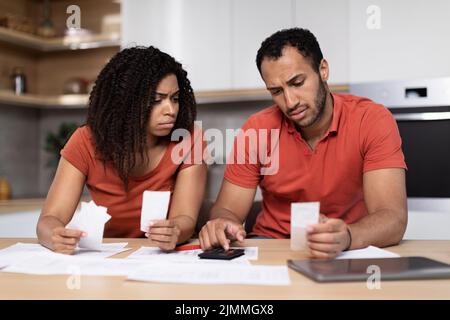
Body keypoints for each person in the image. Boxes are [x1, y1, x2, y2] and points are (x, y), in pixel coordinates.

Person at [199, 28, 407, 259]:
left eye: (297, 82)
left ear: (323, 70)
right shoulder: (256, 129)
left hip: (347, 248)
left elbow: (392, 217)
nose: (290, 102)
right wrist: (222, 223)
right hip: (271, 246)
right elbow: (227, 209)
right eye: (276, 91)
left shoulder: (371, 120)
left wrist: (347, 236)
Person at [37, 46, 207, 254]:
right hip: (106, 255)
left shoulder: (189, 139)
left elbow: (186, 218)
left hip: (161, 257)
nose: (171, 110)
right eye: (156, 100)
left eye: (175, 98)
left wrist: (176, 230)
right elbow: (48, 220)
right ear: (125, 103)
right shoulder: (85, 141)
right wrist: (55, 235)